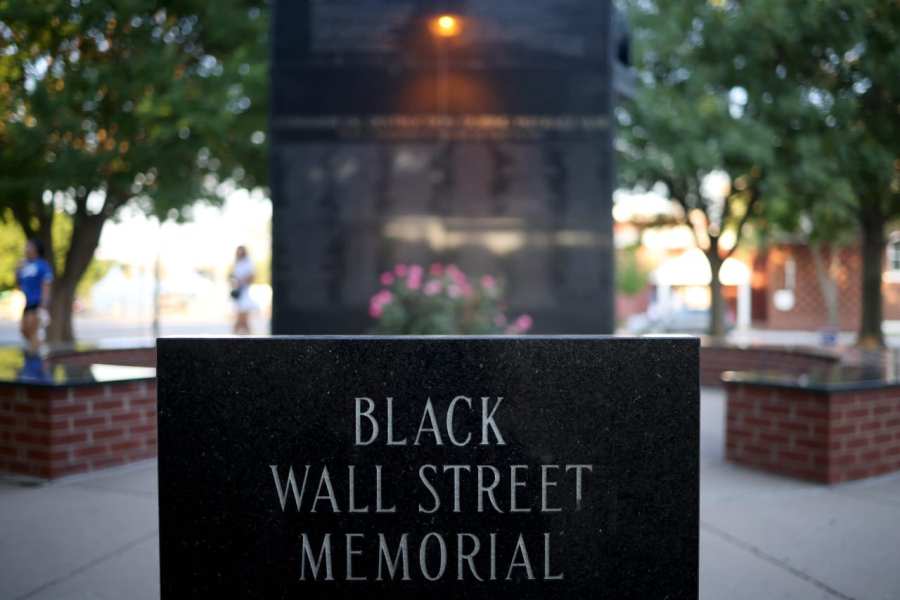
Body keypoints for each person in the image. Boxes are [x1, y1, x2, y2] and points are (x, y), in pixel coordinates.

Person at [16, 239, 53, 353]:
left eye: (29, 246)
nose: (26, 249)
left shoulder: (42, 265)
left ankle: (36, 361)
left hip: (37, 302)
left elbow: (46, 285)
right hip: (27, 302)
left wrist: (43, 306)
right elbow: (19, 284)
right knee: (24, 330)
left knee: (33, 331)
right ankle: (38, 351)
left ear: (36, 249)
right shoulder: (24, 265)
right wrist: (17, 270)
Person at [229, 246, 256, 335]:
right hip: (239, 295)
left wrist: (241, 281)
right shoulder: (237, 263)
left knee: (242, 321)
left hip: (245, 294)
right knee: (242, 322)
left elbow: (252, 276)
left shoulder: (248, 263)